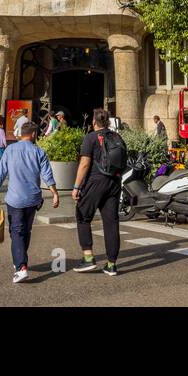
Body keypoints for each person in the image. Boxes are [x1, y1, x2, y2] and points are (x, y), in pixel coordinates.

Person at [0, 122, 60, 283]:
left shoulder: (10, 150)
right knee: (25, 231)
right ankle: (20, 260)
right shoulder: (39, 152)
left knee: (16, 232)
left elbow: (1, 172)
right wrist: (54, 194)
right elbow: (47, 175)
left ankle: (21, 266)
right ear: (34, 134)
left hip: (14, 200)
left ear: (21, 133)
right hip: (32, 200)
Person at [72, 108, 126, 277]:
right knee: (111, 222)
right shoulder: (117, 136)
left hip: (96, 181)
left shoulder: (91, 138)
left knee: (82, 215)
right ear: (108, 121)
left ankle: (88, 258)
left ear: (93, 122)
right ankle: (111, 264)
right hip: (115, 182)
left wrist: (76, 187)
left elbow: (84, 164)